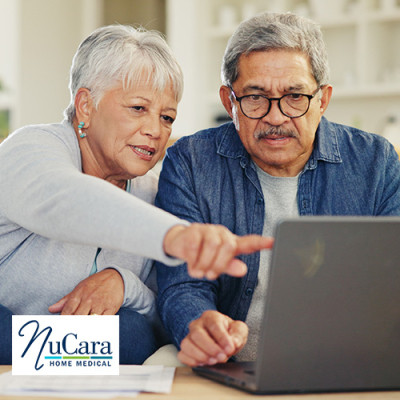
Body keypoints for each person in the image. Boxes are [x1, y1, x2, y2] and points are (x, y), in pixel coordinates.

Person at [0, 25, 273, 365]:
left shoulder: (153, 193)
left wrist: (123, 283)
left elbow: (164, 311)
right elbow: (64, 199)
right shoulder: (30, 149)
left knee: (131, 334)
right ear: (86, 105)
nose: (155, 130)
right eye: (138, 108)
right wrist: (176, 236)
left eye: (167, 117)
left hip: (67, 357)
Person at [155, 11, 400, 367]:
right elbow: (182, 284)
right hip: (229, 365)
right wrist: (198, 324)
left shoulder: (375, 161)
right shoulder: (191, 162)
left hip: (347, 362)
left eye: (295, 96)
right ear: (229, 103)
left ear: (323, 99)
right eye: (255, 97)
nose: (275, 117)